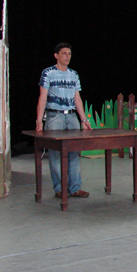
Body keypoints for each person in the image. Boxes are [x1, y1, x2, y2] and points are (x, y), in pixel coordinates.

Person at [36, 42, 92, 198]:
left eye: (69, 53)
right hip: (55, 116)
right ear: (56, 55)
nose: (67, 56)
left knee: (74, 152)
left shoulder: (73, 74)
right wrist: (39, 120)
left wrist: (83, 119)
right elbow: (43, 97)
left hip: (71, 116)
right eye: (64, 53)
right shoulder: (48, 73)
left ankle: (74, 188)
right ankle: (60, 188)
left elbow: (77, 98)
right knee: (55, 153)